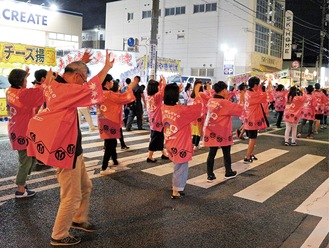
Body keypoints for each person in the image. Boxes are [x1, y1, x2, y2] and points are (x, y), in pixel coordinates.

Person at [26, 50, 115, 246]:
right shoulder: (64, 90)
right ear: (77, 76)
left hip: (74, 147)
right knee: (71, 196)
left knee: (85, 187)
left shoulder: (55, 83)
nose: (84, 84)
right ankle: (58, 235)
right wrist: (106, 68)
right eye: (82, 79)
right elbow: (92, 87)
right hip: (66, 150)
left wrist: (81, 62)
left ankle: (79, 219)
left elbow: (68, 77)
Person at [6, 68, 45, 198]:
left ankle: (22, 182)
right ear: (19, 82)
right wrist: (49, 79)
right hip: (23, 131)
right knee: (26, 161)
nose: (27, 82)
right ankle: (20, 189)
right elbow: (40, 91)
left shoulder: (10, 91)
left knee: (30, 157)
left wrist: (25, 74)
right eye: (25, 80)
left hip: (16, 129)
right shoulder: (23, 94)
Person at [162, 83, 203, 199]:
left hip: (170, 141)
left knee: (178, 166)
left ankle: (177, 186)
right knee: (180, 167)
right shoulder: (181, 110)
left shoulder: (164, 108)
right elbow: (198, 108)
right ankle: (176, 190)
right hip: (180, 143)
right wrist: (197, 93)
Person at [203, 81, 243, 182]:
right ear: (224, 90)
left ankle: (210, 174)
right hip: (222, 130)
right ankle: (228, 171)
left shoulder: (211, 100)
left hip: (211, 129)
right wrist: (242, 98)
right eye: (226, 90)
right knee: (226, 152)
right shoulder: (225, 103)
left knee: (212, 153)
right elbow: (239, 110)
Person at [98, 74, 136, 175]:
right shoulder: (109, 94)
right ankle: (104, 167)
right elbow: (124, 98)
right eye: (111, 81)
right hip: (110, 121)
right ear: (107, 82)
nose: (112, 83)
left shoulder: (100, 93)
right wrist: (130, 88)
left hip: (103, 121)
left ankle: (114, 160)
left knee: (110, 142)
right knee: (110, 144)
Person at [243, 77, 271, 163]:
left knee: (251, 138)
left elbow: (258, 94)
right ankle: (247, 157)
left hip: (248, 118)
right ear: (255, 85)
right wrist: (269, 88)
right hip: (253, 119)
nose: (259, 86)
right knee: (252, 138)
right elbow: (266, 96)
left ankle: (250, 153)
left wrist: (260, 86)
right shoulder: (254, 95)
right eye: (258, 84)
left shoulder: (248, 92)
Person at [146, 76, 169, 163]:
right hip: (158, 120)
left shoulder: (149, 96)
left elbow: (160, 89)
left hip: (153, 120)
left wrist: (159, 82)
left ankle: (163, 153)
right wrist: (164, 81)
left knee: (159, 137)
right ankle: (150, 156)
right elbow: (163, 89)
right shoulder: (157, 96)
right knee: (155, 139)